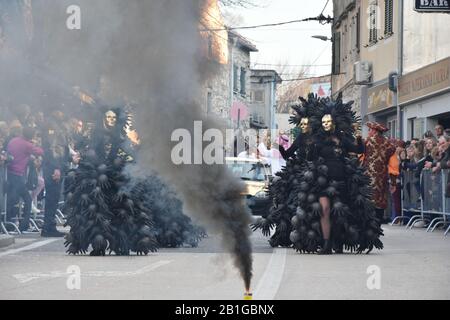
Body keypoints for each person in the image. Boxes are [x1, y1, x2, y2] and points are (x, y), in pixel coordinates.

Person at [6, 127, 43, 231]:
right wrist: (35, 144)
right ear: (31, 136)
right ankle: (23, 225)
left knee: (10, 200)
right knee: (27, 199)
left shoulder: (13, 141)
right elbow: (39, 151)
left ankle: (8, 222)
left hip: (8, 173)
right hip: (17, 175)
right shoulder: (27, 145)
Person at [362, 122, 396, 223]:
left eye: (370, 130)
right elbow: (393, 164)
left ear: (374, 131)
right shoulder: (389, 144)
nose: (368, 132)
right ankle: (377, 226)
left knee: (368, 200)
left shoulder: (367, 142)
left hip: (367, 177)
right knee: (380, 202)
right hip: (382, 178)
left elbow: (359, 155)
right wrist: (393, 181)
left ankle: (369, 227)